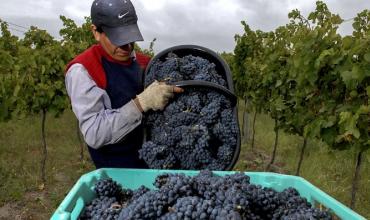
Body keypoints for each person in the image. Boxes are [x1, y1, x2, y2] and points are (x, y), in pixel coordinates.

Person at [65, 0, 183, 169]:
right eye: (118, 39)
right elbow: (94, 133)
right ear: (96, 32)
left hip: (155, 164)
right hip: (118, 171)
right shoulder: (83, 71)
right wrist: (141, 103)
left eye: (130, 37)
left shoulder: (145, 64)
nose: (127, 46)